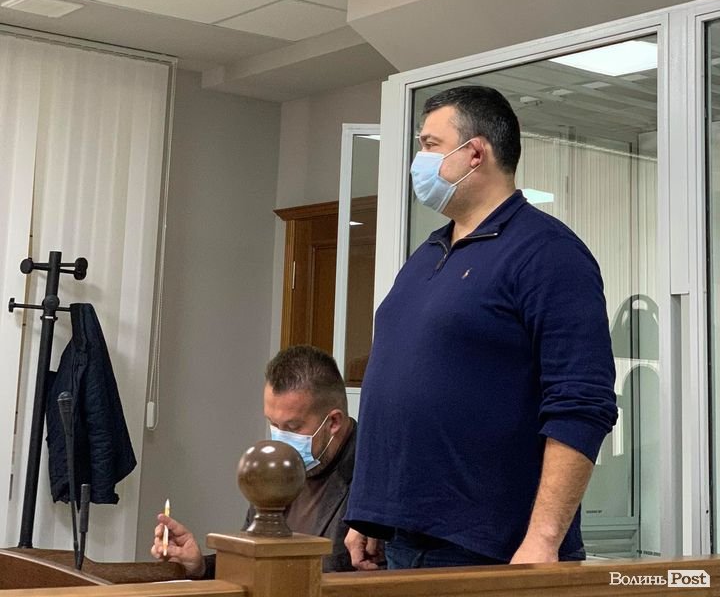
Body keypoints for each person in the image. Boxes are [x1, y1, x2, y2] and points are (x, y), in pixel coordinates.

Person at [344, 85, 618, 571]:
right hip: (403, 537)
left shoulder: (548, 253)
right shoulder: (428, 254)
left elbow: (582, 403)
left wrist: (543, 540)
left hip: (491, 548)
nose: (419, 160)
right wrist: (370, 512)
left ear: (475, 153)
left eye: (430, 144)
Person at [152, 345, 357, 576]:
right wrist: (199, 566)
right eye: (273, 424)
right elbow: (253, 563)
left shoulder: (371, 481)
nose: (280, 438)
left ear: (333, 422)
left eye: (292, 427)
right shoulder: (272, 471)